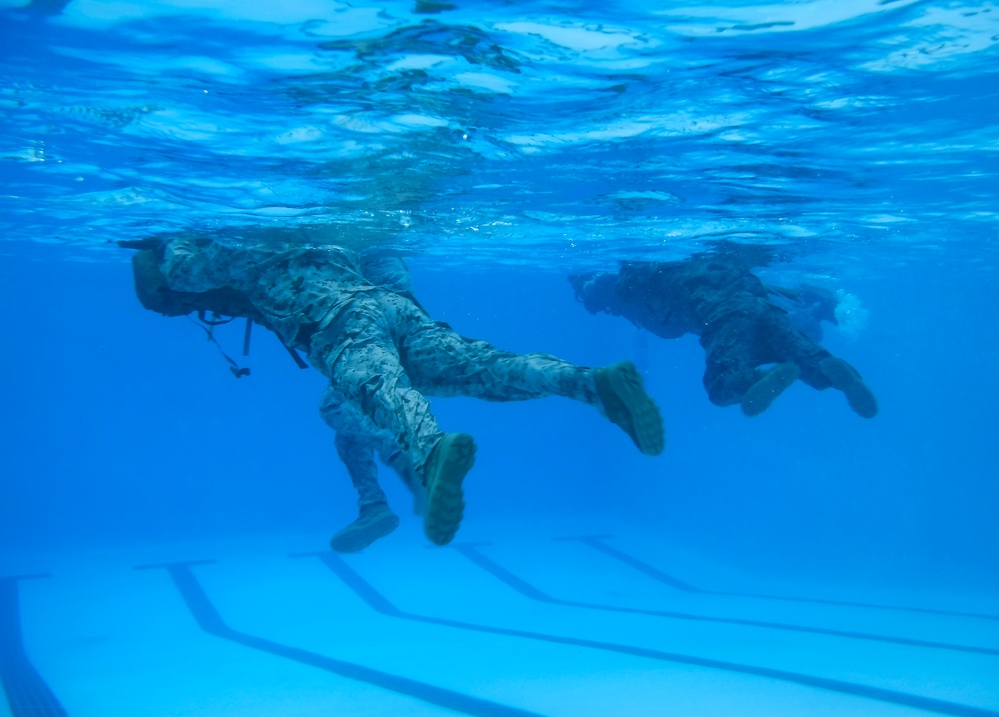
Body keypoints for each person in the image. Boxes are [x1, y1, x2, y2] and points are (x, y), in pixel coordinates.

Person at [123, 233, 666, 550]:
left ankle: (428, 457)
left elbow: (178, 273)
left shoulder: (245, 246)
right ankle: (589, 384)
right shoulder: (330, 237)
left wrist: (155, 250)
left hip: (335, 321)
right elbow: (387, 263)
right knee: (481, 367)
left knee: (378, 390)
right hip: (393, 307)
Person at [569, 248, 877, 418]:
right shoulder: (705, 267)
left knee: (721, 386)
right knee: (807, 354)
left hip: (727, 317)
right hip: (763, 307)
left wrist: (610, 287)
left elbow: (625, 288)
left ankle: (756, 381)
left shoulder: (659, 281)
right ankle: (834, 375)